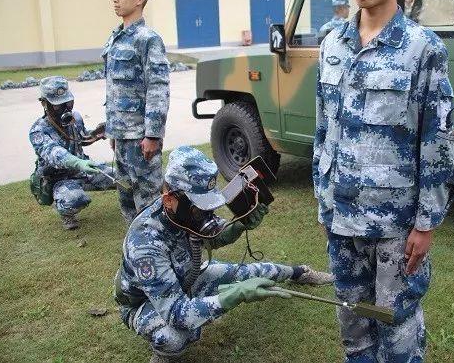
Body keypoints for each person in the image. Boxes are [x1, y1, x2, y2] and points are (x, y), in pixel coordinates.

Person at [312, 0, 454, 360]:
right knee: (353, 324)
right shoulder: (332, 44)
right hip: (342, 218)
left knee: (396, 327)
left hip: (395, 223)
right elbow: (325, 129)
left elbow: (435, 140)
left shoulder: (423, 49)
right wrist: (323, 199)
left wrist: (426, 223)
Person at [115, 146, 333, 363]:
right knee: (174, 336)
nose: (206, 214)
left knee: (251, 272)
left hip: (187, 279)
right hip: (146, 303)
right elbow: (177, 314)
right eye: (201, 208)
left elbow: (216, 235)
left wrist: (240, 225)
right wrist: (233, 295)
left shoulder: (185, 213)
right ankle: (163, 356)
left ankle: (299, 273)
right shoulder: (144, 244)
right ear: (169, 199)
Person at [102, 0, 170, 225]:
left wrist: (153, 134)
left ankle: (155, 249)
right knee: (126, 195)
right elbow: (114, 89)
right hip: (121, 135)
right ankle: (135, 248)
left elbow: (158, 87)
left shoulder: (148, 39)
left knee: (149, 201)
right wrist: (113, 131)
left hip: (141, 137)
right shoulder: (116, 37)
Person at [29, 76, 114, 230]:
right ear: (44, 103)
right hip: (59, 179)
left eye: (68, 103)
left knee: (122, 176)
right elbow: (55, 154)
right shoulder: (38, 131)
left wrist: (97, 134)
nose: (65, 108)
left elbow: (80, 139)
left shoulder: (75, 118)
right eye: (58, 105)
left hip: (84, 171)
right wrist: (79, 163)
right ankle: (65, 211)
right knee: (75, 199)